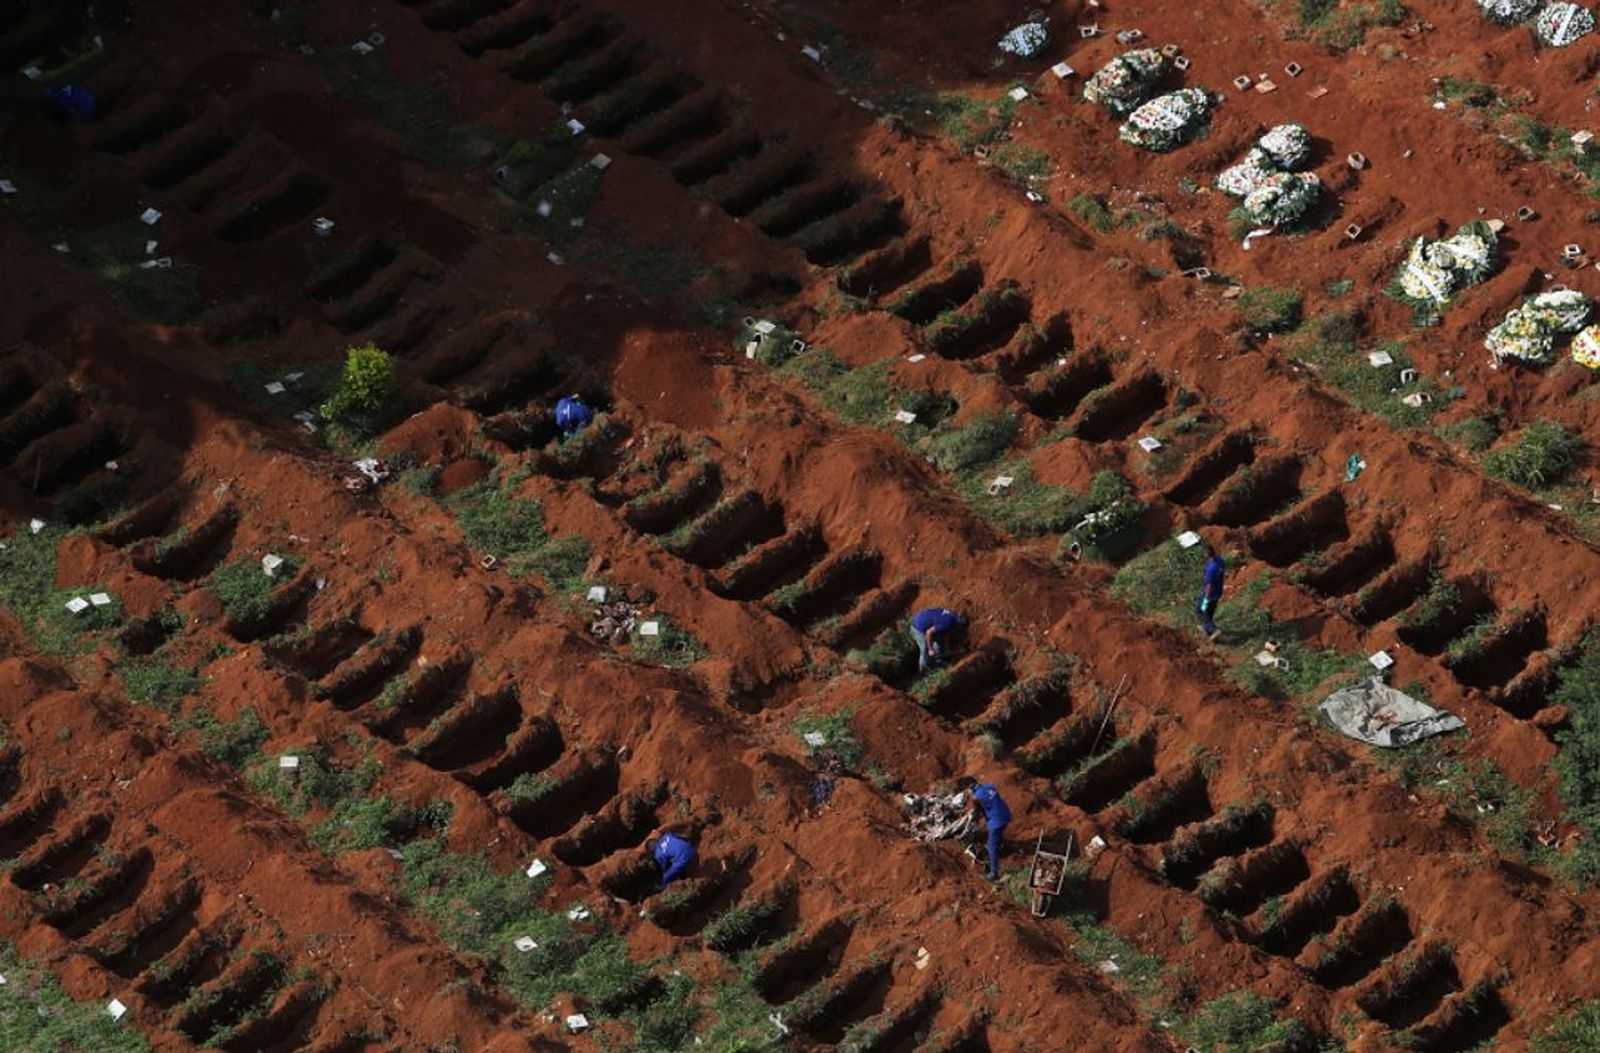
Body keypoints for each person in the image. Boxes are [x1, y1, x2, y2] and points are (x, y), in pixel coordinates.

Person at [958, 776, 1011, 882]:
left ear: (970, 788)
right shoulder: (990, 786)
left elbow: (977, 811)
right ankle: (999, 845)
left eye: (966, 790)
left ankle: (993, 874)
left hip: (996, 822)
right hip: (1006, 814)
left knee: (991, 846)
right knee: (996, 837)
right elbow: (988, 802)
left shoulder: (976, 797)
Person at [909, 607, 966, 676]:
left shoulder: (953, 617)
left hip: (927, 624)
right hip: (918, 628)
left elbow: (946, 633)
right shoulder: (948, 622)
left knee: (939, 645)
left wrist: (946, 648)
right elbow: (929, 632)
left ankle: (937, 662)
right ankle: (923, 671)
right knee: (924, 649)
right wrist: (930, 649)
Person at [1197, 541, 1226, 641]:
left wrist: (1206, 599)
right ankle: (1207, 629)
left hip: (1209, 593)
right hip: (1218, 592)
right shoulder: (1220, 561)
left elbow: (1209, 585)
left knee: (1200, 610)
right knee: (1209, 612)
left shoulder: (1211, 569)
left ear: (1206, 554)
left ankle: (1214, 630)